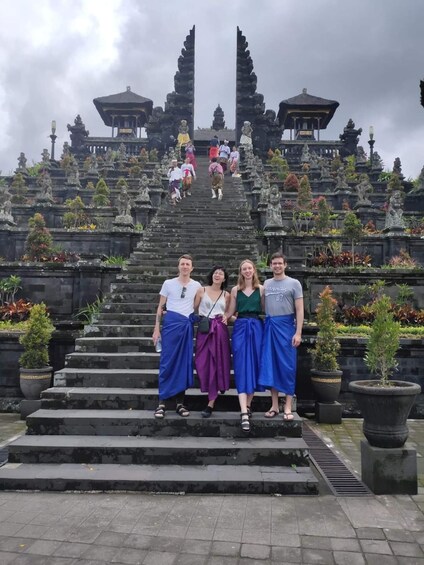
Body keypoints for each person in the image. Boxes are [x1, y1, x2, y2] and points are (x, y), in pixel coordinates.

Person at [152, 254, 201, 419]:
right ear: (178, 266)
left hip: (185, 327)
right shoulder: (168, 283)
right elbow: (160, 307)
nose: (185, 266)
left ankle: (180, 403)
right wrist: (156, 329)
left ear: (192, 268)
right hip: (170, 326)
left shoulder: (197, 286)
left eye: (188, 264)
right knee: (167, 362)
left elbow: (197, 306)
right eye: (183, 264)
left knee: (184, 363)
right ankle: (162, 403)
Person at [258, 252, 303, 421]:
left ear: (285, 265)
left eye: (279, 263)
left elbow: (299, 309)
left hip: (286, 328)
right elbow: (263, 306)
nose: (277, 266)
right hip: (270, 328)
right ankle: (274, 405)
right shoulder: (266, 284)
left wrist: (298, 332)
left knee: (288, 366)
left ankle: (288, 405)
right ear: (270, 266)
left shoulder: (294, 283)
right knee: (271, 365)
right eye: (274, 263)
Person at [224, 259, 264, 432]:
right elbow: (231, 312)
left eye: (249, 268)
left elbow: (267, 311)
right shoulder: (235, 290)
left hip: (256, 328)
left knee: (254, 365)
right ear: (240, 272)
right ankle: (243, 412)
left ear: (254, 270)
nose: (247, 271)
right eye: (243, 269)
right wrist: (224, 318)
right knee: (241, 366)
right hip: (240, 328)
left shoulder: (261, 289)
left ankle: (247, 405)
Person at [194, 266, 231, 418]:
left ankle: (211, 402)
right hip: (204, 330)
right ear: (212, 275)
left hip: (220, 332)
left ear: (224, 278)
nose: (217, 275)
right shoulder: (201, 291)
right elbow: (192, 309)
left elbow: (230, 314)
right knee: (202, 363)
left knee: (217, 364)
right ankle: (209, 389)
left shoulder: (227, 295)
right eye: (215, 273)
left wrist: (229, 317)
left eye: (221, 273)